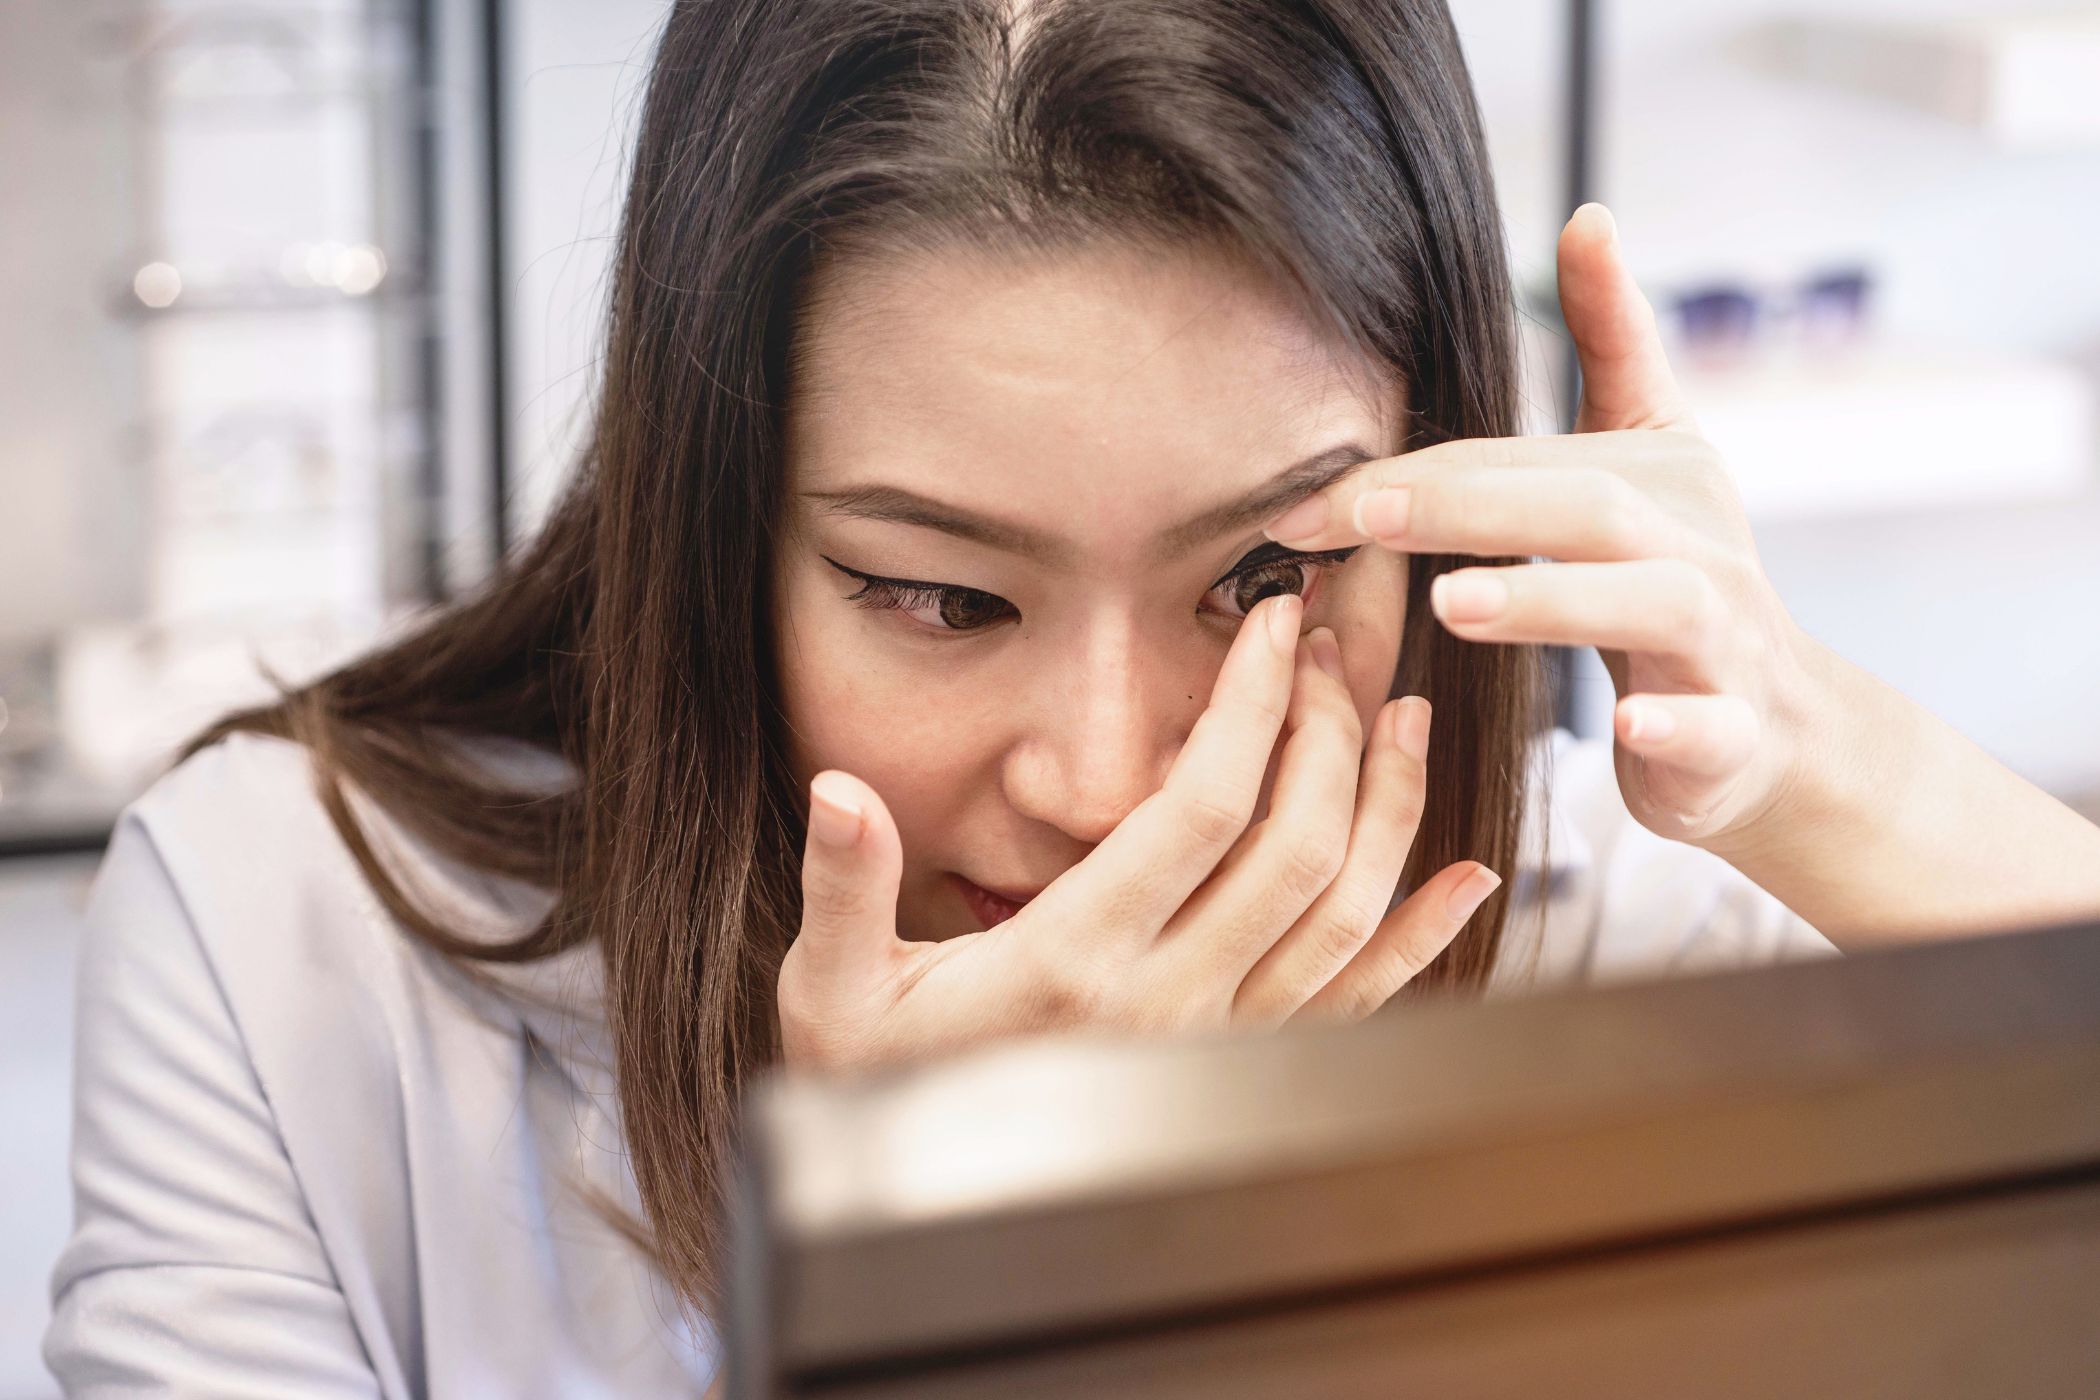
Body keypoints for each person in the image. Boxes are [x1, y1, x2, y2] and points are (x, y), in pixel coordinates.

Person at [44, 0, 2100, 1394]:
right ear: (715, 529)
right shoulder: (287, 941)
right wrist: (893, 1285)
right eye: (938, 595)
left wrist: (1831, 757)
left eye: (1269, 577)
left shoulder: (1589, 925)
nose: (1110, 778)